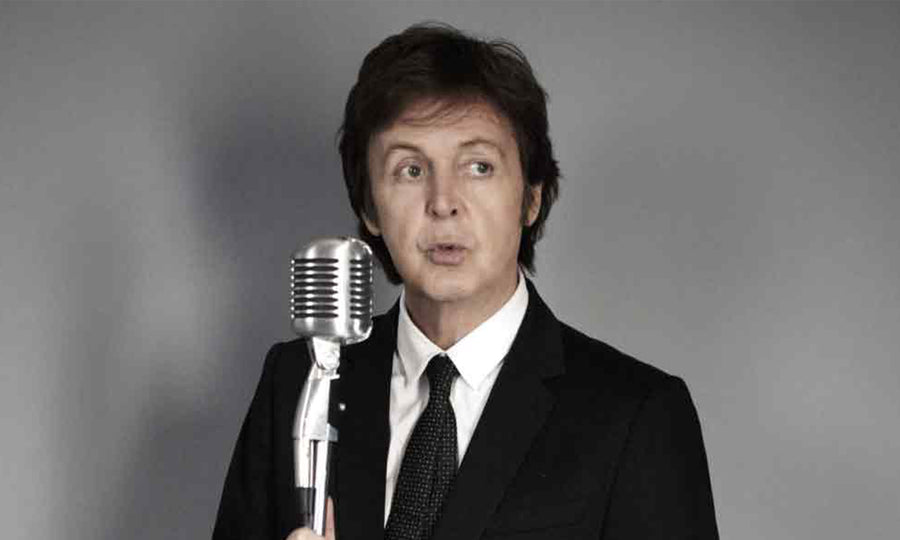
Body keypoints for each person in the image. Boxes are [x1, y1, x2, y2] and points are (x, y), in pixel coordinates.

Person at [213, 23, 718, 540]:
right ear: (369, 207)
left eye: (478, 167)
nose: (443, 202)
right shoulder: (298, 383)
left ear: (531, 197)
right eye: (411, 170)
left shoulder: (637, 414)